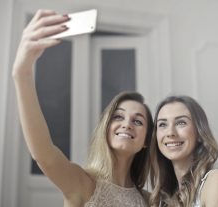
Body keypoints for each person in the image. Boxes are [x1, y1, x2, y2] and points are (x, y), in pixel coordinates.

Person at [12, 9, 153, 207]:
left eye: (138, 121)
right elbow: (43, 154)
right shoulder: (81, 183)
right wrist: (22, 72)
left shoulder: (148, 200)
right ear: (105, 127)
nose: (127, 124)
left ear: (146, 141)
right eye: (118, 117)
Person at [149, 96, 218, 207]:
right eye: (162, 124)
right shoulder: (162, 200)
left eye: (181, 123)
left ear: (199, 132)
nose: (170, 133)